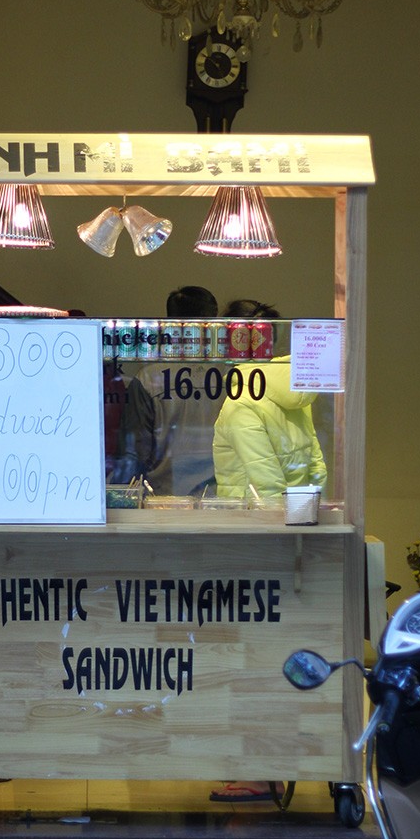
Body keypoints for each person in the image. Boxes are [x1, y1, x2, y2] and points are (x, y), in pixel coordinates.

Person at [211, 298, 325, 804]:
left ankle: (257, 772)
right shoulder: (298, 397)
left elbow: (262, 487)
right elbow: (316, 474)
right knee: (284, 653)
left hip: (251, 544)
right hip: (300, 538)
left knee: (245, 656)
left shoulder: (241, 400)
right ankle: (281, 762)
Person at [211, 298, 327, 504]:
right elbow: (316, 467)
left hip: (252, 525)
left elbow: (268, 488)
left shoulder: (241, 402)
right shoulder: (296, 390)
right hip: (301, 517)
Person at [110, 285, 221, 496]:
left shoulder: (149, 378)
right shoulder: (231, 376)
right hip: (220, 500)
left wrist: (118, 499)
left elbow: (133, 454)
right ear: (212, 322)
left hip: (164, 501)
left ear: (170, 322)